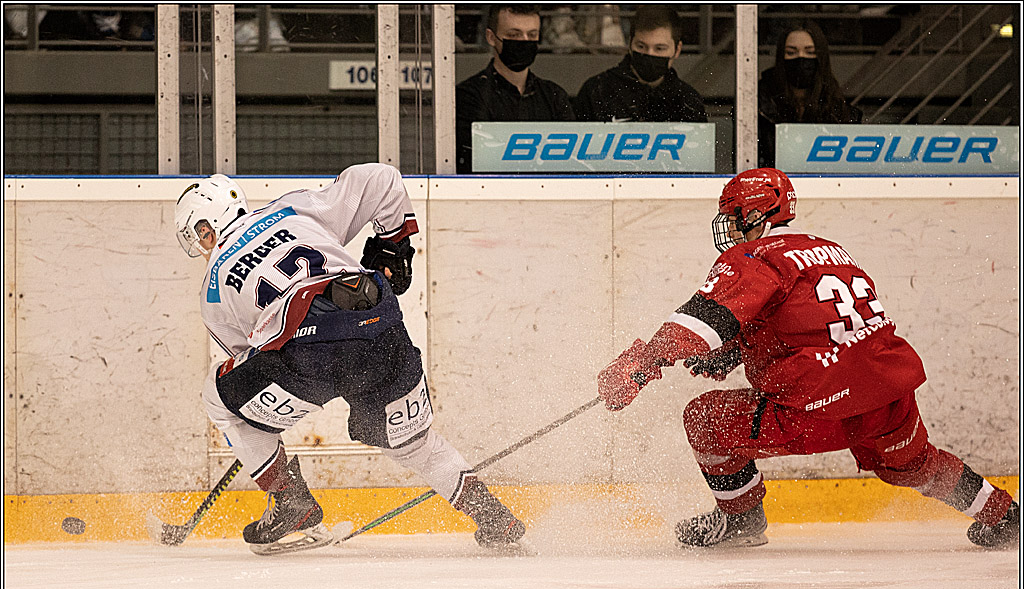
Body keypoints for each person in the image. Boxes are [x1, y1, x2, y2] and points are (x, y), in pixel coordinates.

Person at [597, 167, 1019, 550]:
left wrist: (640, 365)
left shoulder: (753, 256)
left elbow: (702, 321)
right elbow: (814, 321)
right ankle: (1004, 515)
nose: (729, 231)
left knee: (704, 420)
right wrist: (737, 349)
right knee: (913, 463)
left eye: (733, 217)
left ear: (752, 215)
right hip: (889, 394)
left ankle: (740, 519)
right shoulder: (830, 250)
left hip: (822, 406)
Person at [174, 165, 526, 555]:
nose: (203, 245)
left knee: (219, 399)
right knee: (414, 444)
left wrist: (259, 443)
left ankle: (290, 499)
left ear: (207, 228)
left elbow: (249, 360)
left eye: (199, 236)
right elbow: (382, 180)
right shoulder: (293, 210)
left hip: (310, 350)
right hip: (378, 320)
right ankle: (495, 518)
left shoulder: (212, 289)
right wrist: (394, 246)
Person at [455, 4, 575, 173]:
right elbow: (472, 162)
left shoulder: (554, 96)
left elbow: (571, 162)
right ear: (491, 37)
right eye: (514, 34)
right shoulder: (469, 95)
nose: (524, 41)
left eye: (532, 35)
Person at [574, 5, 707, 124]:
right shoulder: (596, 91)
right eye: (641, 46)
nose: (649, 54)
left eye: (659, 48)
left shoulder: (688, 101)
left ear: (677, 50)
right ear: (630, 44)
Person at [758, 22, 862, 168]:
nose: (801, 58)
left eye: (810, 52)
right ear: (781, 58)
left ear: (821, 57)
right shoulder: (759, 105)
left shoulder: (839, 110)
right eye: (791, 53)